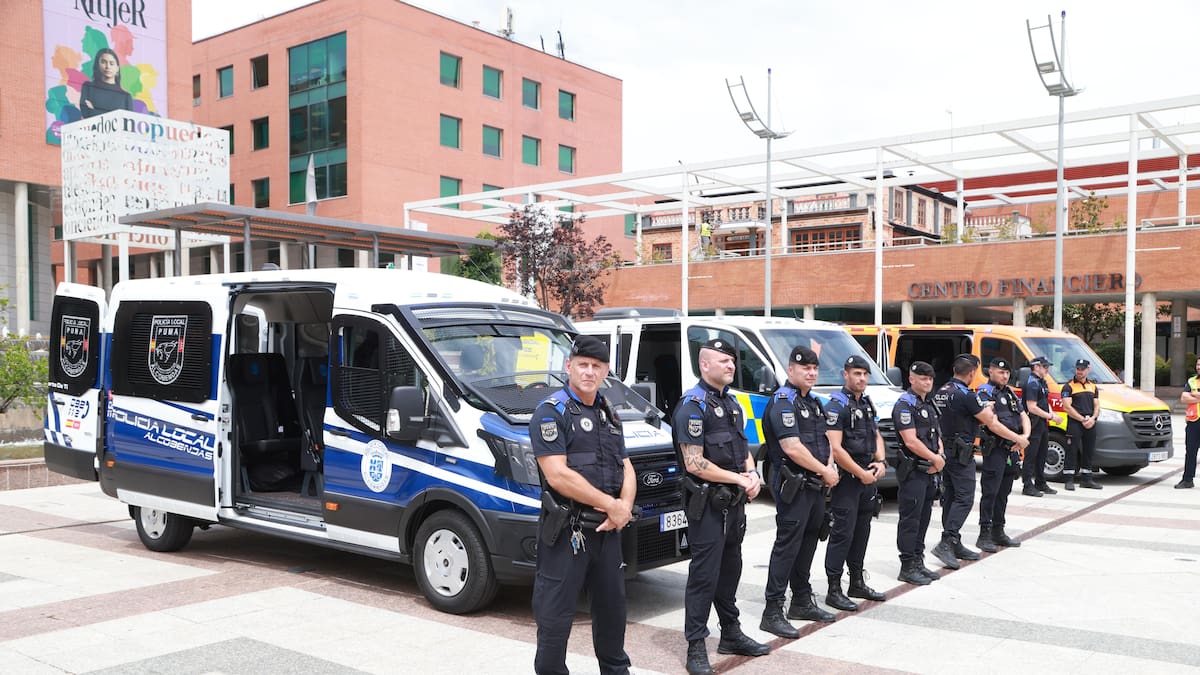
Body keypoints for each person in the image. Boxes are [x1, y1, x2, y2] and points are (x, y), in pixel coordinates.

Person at [531, 335, 636, 675]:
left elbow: (626, 465)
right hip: (568, 533)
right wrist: (612, 504)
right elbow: (558, 475)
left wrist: (623, 507)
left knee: (612, 617)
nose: (589, 372)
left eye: (597, 366)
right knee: (554, 621)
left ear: (606, 371)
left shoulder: (609, 413)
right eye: (583, 365)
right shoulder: (551, 412)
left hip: (608, 534)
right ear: (569, 367)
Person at [673, 338, 768, 675]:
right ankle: (696, 646)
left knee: (730, 572)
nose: (730, 365)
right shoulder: (692, 406)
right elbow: (694, 462)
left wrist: (752, 472)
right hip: (708, 506)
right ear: (704, 365)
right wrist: (739, 479)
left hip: (734, 505)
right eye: (723, 360)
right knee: (704, 576)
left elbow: (743, 448)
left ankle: (731, 632)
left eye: (732, 360)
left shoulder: (732, 405)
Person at [759, 346, 842, 639]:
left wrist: (829, 467)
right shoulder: (784, 402)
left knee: (809, 543)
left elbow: (826, 441)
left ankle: (802, 600)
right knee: (787, 546)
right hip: (795, 486)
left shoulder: (814, 403)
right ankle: (772, 610)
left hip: (816, 487)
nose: (811, 373)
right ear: (791, 369)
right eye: (805, 368)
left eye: (815, 368)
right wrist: (825, 470)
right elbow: (791, 447)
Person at [930, 354, 1028, 570]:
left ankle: (954, 543)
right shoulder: (967, 394)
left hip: (947, 450)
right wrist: (1019, 438)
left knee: (952, 496)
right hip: (961, 452)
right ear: (973, 372)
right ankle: (947, 541)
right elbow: (991, 423)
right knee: (964, 498)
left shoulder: (943, 391)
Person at [823, 355, 888, 607]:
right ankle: (833, 588)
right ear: (845, 374)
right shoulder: (836, 405)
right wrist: (860, 473)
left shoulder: (866, 403)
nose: (861, 378)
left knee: (862, 532)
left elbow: (876, 434)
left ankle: (857, 582)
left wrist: (881, 461)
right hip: (847, 480)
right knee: (842, 533)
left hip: (867, 477)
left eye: (864, 374)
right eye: (856, 373)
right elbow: (835, 448)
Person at [892, 361, 945, 585]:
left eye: (930, 379)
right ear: (911, 379)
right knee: (910, 520)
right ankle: (907, 565)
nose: (927, 382)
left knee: (924, 518)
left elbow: (936, 435)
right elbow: (910, 440)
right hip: (914, 470)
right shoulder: (905, 405)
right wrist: (935, 459)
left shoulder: (928, 404)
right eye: (923, 378)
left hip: (930, 471)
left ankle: (918, 560)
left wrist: (940, 456)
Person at [975, 358, 1030, 552]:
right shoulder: (984, 392)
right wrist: (1019, 438)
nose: (1005, 376)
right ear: (990, 372)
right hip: (996, 449)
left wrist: (1024, 436)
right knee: (990, 492)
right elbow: (992, 423)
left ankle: (999, 531)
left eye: (1007, 373)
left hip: (1012, 450)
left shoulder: (1011, 393)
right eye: (1000, 372)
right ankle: (984, 534)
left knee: (1004, 493)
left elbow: (1024, 416)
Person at [1020, 356, 1060, 497]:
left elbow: (1044, 402)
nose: (1047, 369)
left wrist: (1052, 413)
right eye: (1045, 366)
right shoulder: (1032, 383)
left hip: (1042, 423)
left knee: (1042, 454)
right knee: (1031, 455)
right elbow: (1032, 407)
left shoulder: (1042, 382)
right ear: (1036, 367)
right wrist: (1051, 416)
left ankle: (1040, 482)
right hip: (1033, 423)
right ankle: (1027, 485)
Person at [1061, 359, 1101, 491]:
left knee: (1089, 450)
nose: (1079, 371)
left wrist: (1093, 418)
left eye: (1082, 369)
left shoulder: (1092, 386)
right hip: (1075, 422)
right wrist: (1082, 419)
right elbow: (1067, 407)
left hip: (1091, 422)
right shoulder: (1068, 386)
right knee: (1071, 450)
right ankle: (1068, 479)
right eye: (1077, 368)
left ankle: (1087, 478)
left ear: (1088, 369)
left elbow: (1097, 405)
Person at [80, 48, 133, 118]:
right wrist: (115, 118)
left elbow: (128, 124)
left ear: (117, 68)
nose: (108, 66)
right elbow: (86, 113)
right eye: (103, 62)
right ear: (97, 65)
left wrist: (94, 111)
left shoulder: (125, 96)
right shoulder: (88, 87)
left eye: (111, 63)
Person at [1176, 356, 1200, 489]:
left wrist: (1194, 395)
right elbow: (1184, 398)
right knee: (1190, 451)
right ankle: (1187, 480)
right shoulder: (1192, 381)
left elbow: (1189, 396)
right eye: (1198, 365)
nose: (1198, 367)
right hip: (1193, 421)